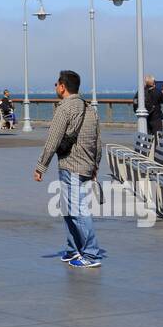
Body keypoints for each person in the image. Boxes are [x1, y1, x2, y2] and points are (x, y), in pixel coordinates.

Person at [33, 70, 103, 268]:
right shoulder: (90, 110)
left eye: (56, 84)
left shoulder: (64, 109)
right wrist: (96, 165)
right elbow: (98, 141)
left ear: (63, 86)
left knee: (78, 210)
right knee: (69, 209)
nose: (55, 87)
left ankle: (91, 254)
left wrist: (41, 166)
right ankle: (74, 249)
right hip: (86, 166)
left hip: (71, 165)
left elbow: (52, 140)